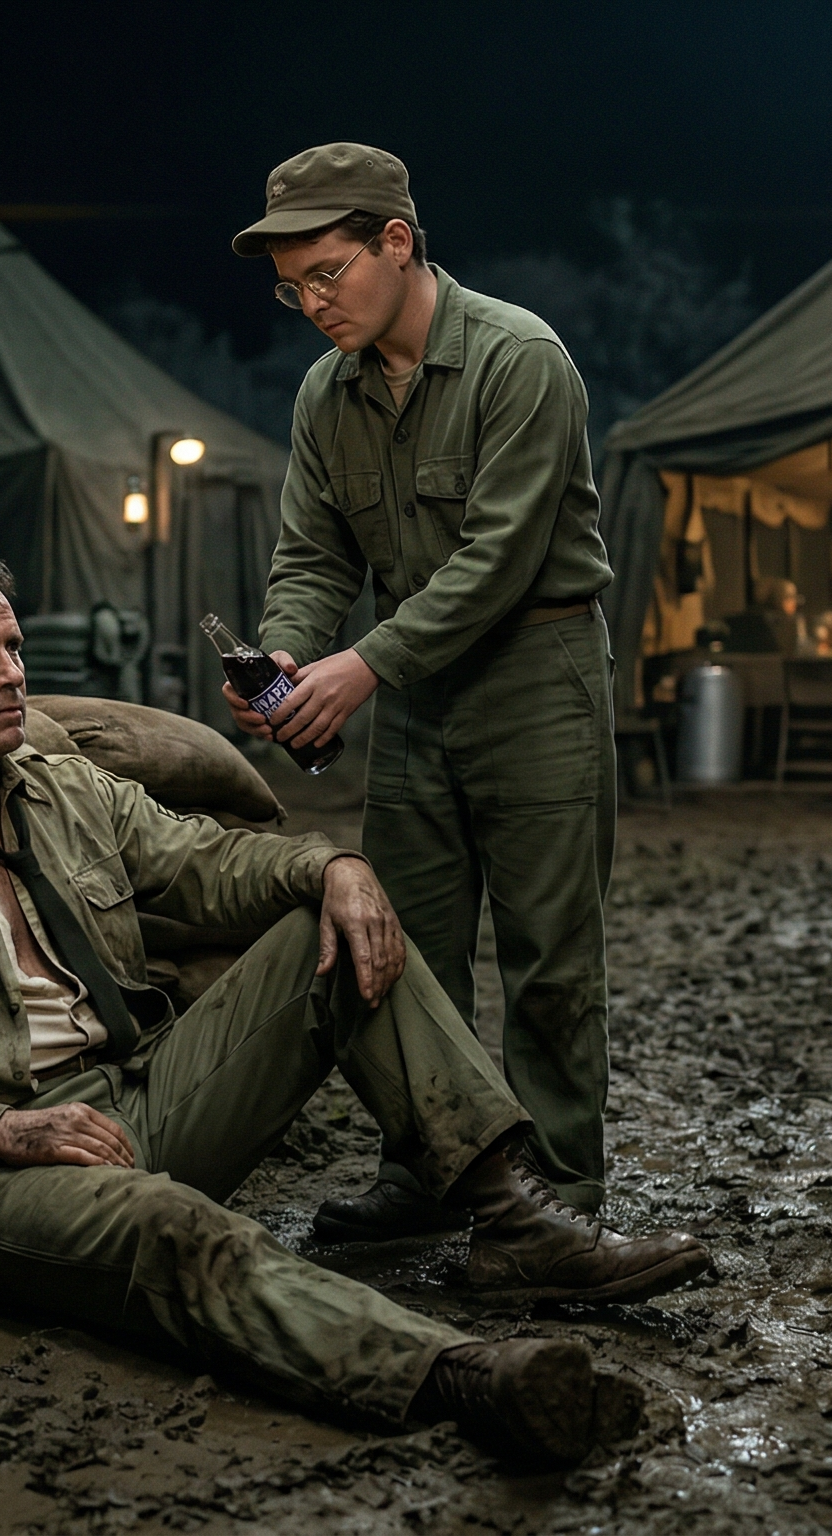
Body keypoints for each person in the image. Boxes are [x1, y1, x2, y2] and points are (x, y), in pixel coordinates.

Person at [0, 550, 709, 1465]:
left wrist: (334, 865)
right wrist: (2, 1131)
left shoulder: (62, 787)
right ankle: (456, 1376)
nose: (11, 675)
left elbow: (209, 861)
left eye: (13, 647)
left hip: (135, 1098)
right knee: (175, 1231)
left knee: (329, 929)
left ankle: (511, 1221)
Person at [224, 143, 617, 1240]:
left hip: (535, 674)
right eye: (292, 288)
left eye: (327, 274)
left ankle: (558, 1197)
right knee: (403, 951)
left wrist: (360, 667)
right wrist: (286, 656)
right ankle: (430, 1171)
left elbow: (499, 560)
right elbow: (314, 556)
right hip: (411, 692)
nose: (312, 304)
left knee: (549, 957)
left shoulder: (519, 359)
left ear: (396, 242)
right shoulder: (326, 393)